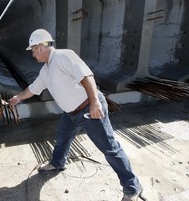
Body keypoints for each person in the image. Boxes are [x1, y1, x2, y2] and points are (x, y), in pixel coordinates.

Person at [9, 29, 146, 201]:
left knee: (110, 149)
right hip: (71, 113)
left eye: (34, 50)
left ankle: (133, 187)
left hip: (89, 109)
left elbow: (86, 76)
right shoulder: (45, 70)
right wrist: (18, 98)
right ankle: (57, 163)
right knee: (62, 137)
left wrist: (95, 102)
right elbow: (33, 88)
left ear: (41, 47)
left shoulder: (64, 56)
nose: (33, 55)